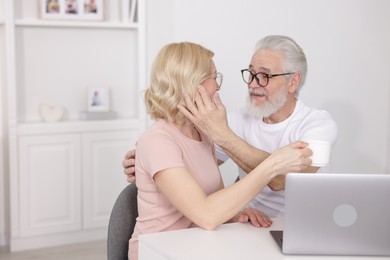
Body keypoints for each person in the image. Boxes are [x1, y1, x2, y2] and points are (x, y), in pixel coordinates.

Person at [128, 41, 312, 260]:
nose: (218, 86)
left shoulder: (203, 134)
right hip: (159, 252)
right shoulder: (158, 141)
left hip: (196, 245)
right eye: (215, 78)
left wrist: (235, 213)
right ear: (191, 83)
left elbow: (209, 196)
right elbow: (206, 214)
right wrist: (271, 165)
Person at [122, 35, 338, 218]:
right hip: (248, 226)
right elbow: (190, 162)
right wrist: (147, 162)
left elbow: (281, 180)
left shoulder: (318, 125)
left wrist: (222, 134)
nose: (253, 84)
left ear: (293, 82)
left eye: (264, 76)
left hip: (303, 224)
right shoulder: (236, 120)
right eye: (251, 73)